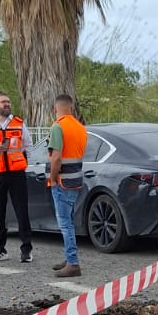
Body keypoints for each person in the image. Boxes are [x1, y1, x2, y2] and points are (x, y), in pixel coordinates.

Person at [0, 92, 33, 264]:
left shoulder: (19, 123)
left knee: (22, 211)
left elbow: (29, 146)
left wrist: (25, 162)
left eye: (8, 102)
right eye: (3, 102)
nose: (7, 104)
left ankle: (26, 250)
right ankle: (0, 249)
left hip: (16, 174)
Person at [46, 94, 86, 278]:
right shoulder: (79, 127)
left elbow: (56, 157)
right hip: (76, 180)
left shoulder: (58, 126)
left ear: (56, 108)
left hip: (62, 181)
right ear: (71, 107)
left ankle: (72, 263)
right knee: (68, 221)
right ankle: (69, 258)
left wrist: (53, 178)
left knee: (65, 224)